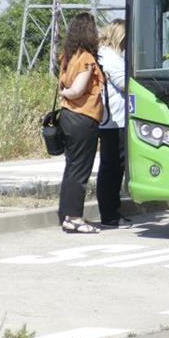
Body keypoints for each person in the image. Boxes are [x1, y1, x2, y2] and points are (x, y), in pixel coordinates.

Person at [57, 13, 105, 234]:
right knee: (80, 169)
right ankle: (75, 217)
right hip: (83, 117)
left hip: (67, 117)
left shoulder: (67, 57)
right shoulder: (86, 58)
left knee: (70, 167)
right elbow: (78, 89)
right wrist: (67, 93)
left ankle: (65, 214)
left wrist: (63, 93)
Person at [97, 19, 130, 228]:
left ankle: (111, 210)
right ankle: (109, 213)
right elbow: (124, 83)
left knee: (112, 166)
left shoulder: (106, 54)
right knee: (112, 167)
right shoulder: (111, 57)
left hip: (111, 119)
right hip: (114, 120)